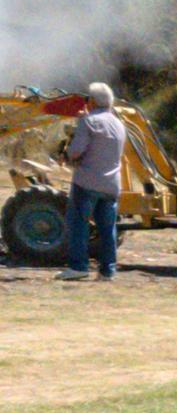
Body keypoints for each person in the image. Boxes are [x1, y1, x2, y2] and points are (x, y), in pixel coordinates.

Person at [61, 83, 127, 281]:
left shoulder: (89, 121)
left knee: (78, 223)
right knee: (107, 229)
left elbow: (75, 151)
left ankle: (78, 266)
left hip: (88, 182)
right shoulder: (119, 124)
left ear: (91, 101)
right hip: (112, 184)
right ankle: (107, 270)